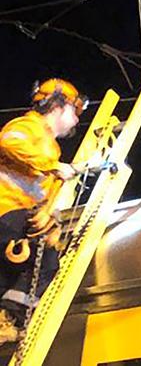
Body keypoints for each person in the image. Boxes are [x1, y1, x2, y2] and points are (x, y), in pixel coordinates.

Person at [0, 79, 87, 345]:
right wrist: (52, 165)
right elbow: (9, 142)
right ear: (58, 107)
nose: (75, 121)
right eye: (75, 112)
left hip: (17, 215)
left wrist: (50, 219)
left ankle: (4, 320)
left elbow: (43, 195)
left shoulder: (52, 148)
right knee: (46, 259)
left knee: (13, 275)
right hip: (7, 209)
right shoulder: (28, 126)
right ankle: (8, 318)